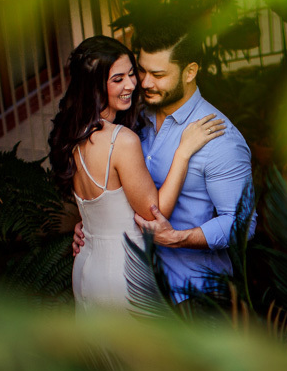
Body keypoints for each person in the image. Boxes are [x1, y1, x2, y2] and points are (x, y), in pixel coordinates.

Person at [72, 18, 255, 303]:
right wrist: (95, 225)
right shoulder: (133, 121)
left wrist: (177, 237)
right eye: (141, 71)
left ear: (190, 71)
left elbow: (243, 223)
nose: (144, 83)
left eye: (158, 74)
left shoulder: (219, 139)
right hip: (136, 291)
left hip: (193, 296)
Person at [50, 35, 225, 312]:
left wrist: (87, 226)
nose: (132, 85)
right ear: (95, 85)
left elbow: (100, 208)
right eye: (117, 79)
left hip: (86, 266)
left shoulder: (73, 132)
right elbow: (154, 214)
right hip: (123, 274)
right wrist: (183, 152)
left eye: (132, 74)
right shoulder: (121, 140)